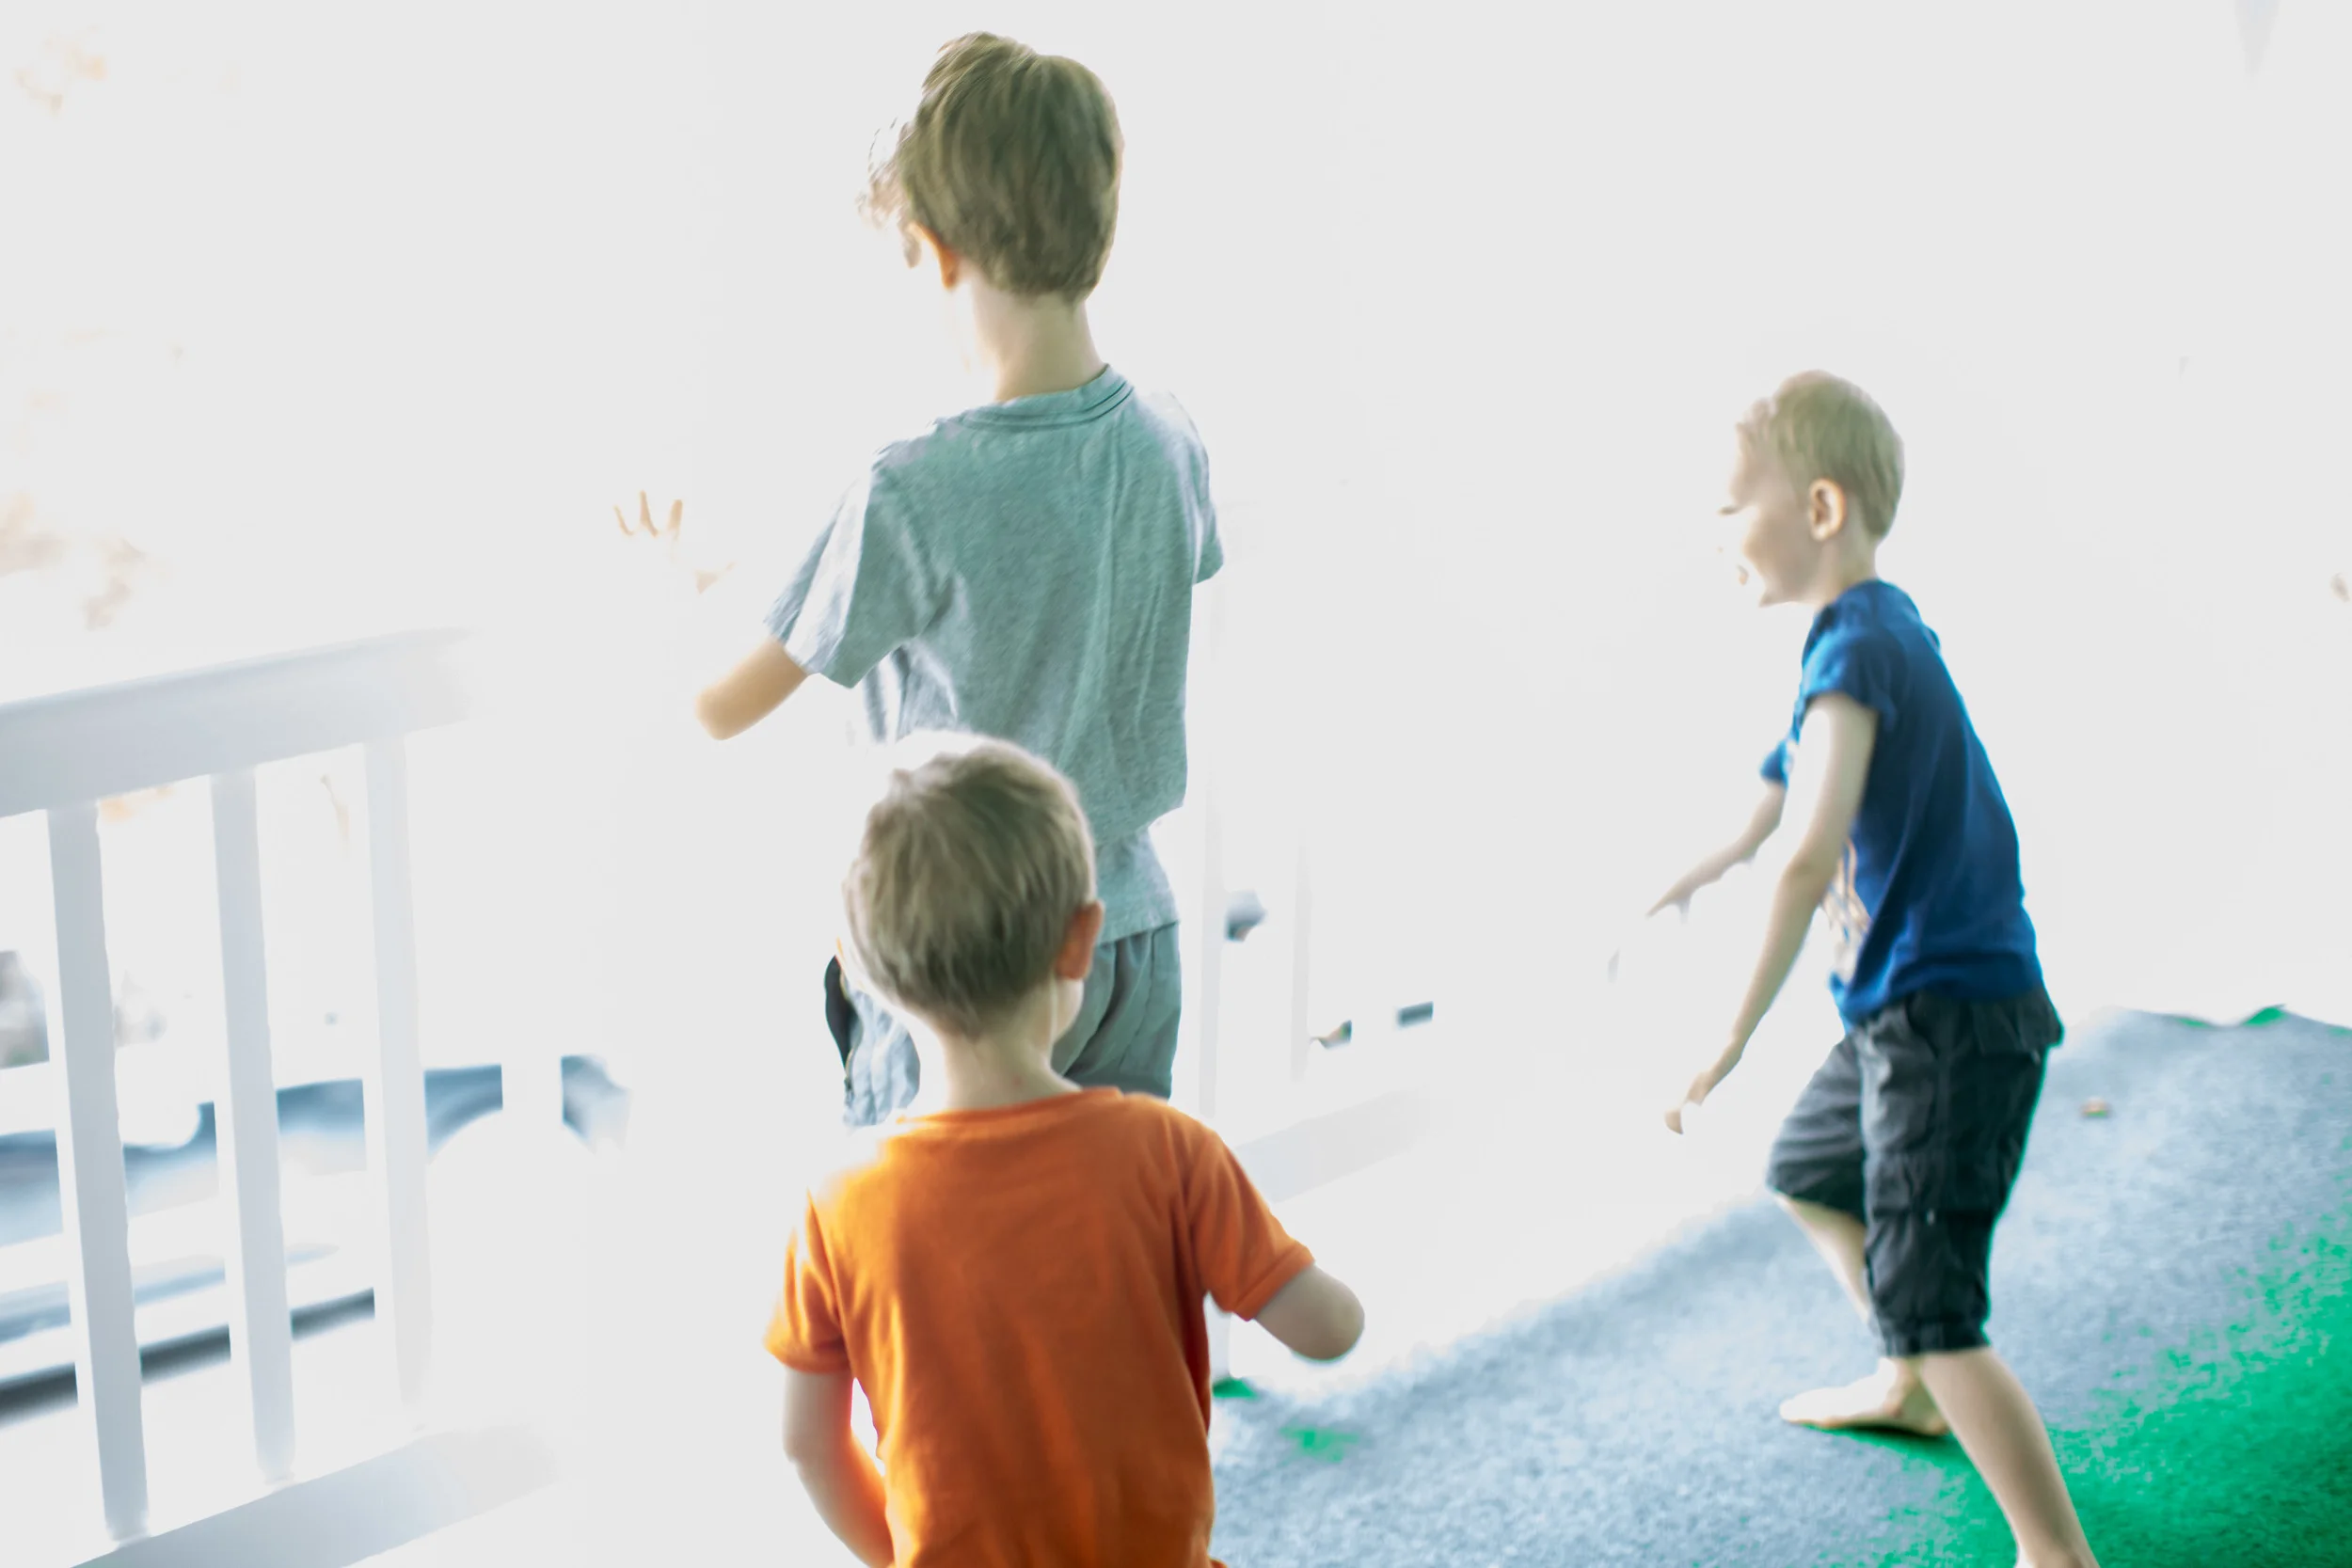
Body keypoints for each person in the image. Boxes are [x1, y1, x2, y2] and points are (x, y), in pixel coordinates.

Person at [618, 31, 1220, 1127]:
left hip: (961, 977)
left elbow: (716, 703)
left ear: (936, 254)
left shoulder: (910, 488)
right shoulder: (1168, 439)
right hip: (1129, 935)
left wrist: (672, 593)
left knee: (935, 1231)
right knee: (1110, 1219)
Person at [1649, 372, 2100, 1568]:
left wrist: (1726, 1037)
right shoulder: (1853, 642)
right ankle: (1908, 1377)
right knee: (1809, 1168)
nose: (1714, 532)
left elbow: (1803, 857)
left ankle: (2054, 1549)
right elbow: (1766, 808)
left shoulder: (1862, 646)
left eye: (1729, 505)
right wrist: (1685, 874)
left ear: (1820, 506)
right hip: (1902, 1013)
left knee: (1936, 1300)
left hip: (1950, 1020)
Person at [768, 736, 1362, 1566]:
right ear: (1082, 938)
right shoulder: (1168, 1153)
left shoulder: (835, 1207)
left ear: (853, 968)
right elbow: (1328, 1328)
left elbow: (807, 1445)